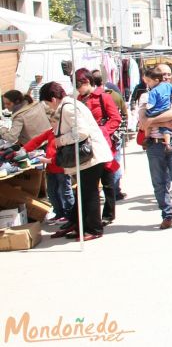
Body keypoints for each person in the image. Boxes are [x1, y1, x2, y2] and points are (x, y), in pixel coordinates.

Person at [42, 82, 113, 241]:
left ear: (53, 99)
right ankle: (83, 226)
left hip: (90, 157)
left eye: (47, 103)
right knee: (84, 192)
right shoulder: (70, 105)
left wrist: (61, 140)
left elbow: (80, 132)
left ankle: (94, 228)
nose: (48, 106)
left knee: (89, 193)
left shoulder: (68, 108)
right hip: (88, 157)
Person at [138, 64, 172, 229]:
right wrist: (161, 120)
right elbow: (142, 122)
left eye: (168, 74)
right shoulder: (146, 96)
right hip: (154, 145)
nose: (165, 77)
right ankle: (167, 214)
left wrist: (152, 120)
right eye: (162, 74)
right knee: (159, 183)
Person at [75, 68, 122, 226]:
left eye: (79, 85)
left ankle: (108, 214)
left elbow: (115, 119)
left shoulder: (104, 96)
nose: (78, 89)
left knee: (107, 180)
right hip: (86, 144)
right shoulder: (79, 99)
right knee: (89, 182)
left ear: (87, 82)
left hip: (104, 143)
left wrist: (103, 132)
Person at [21, 114, 74, 224]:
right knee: (51, 192)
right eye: (51, 122)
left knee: (65, 191)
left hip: (61, 168)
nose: (52, 124)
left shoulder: (64, 134)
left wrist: (48, 161)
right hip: (51, 169)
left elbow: (64, 154)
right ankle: (59, 213)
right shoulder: (50, 132)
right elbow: (37, 140)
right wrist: (24, 150)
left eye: (54, 122)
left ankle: (70, 214)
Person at [91, 70, 128, 201]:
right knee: (114, 162)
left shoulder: (100, 96)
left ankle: (112, 191)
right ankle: (115, 190)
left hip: (105, 135)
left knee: (107, 164)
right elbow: (124, 114)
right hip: (113, 135)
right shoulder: (115, 94)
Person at [142, 68, 172, 152]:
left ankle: (146, 138)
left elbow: (151, 104)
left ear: (156, 80)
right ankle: (168, 144)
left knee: (148, 120)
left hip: (155, 111)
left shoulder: (153, 91)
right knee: (166, 129)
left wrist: (147, 107)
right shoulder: (167, 85)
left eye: (148, 81)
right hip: (166, 110)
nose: (147, 84)